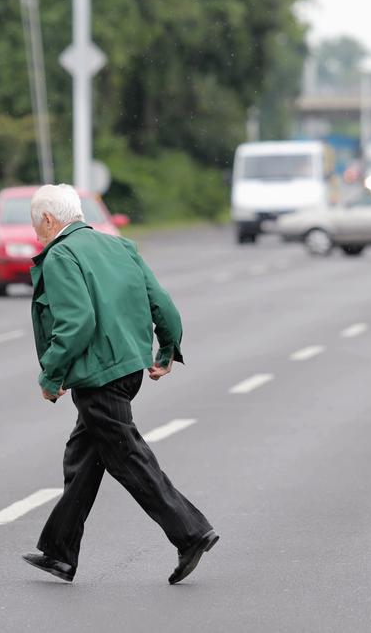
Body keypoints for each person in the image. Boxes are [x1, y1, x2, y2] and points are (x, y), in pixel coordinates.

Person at [21, 184, 218, 585]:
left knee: (128, 456)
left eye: (35, 225)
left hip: (98, 374)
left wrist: (51, 375)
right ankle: (58, 551)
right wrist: (166, 351)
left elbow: (77, 324)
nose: (36, 235)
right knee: (83, 458)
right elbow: (162, 303)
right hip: (128, 369)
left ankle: (191, 533)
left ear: (48, 219)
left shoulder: (61, 255)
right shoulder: (119, 247)